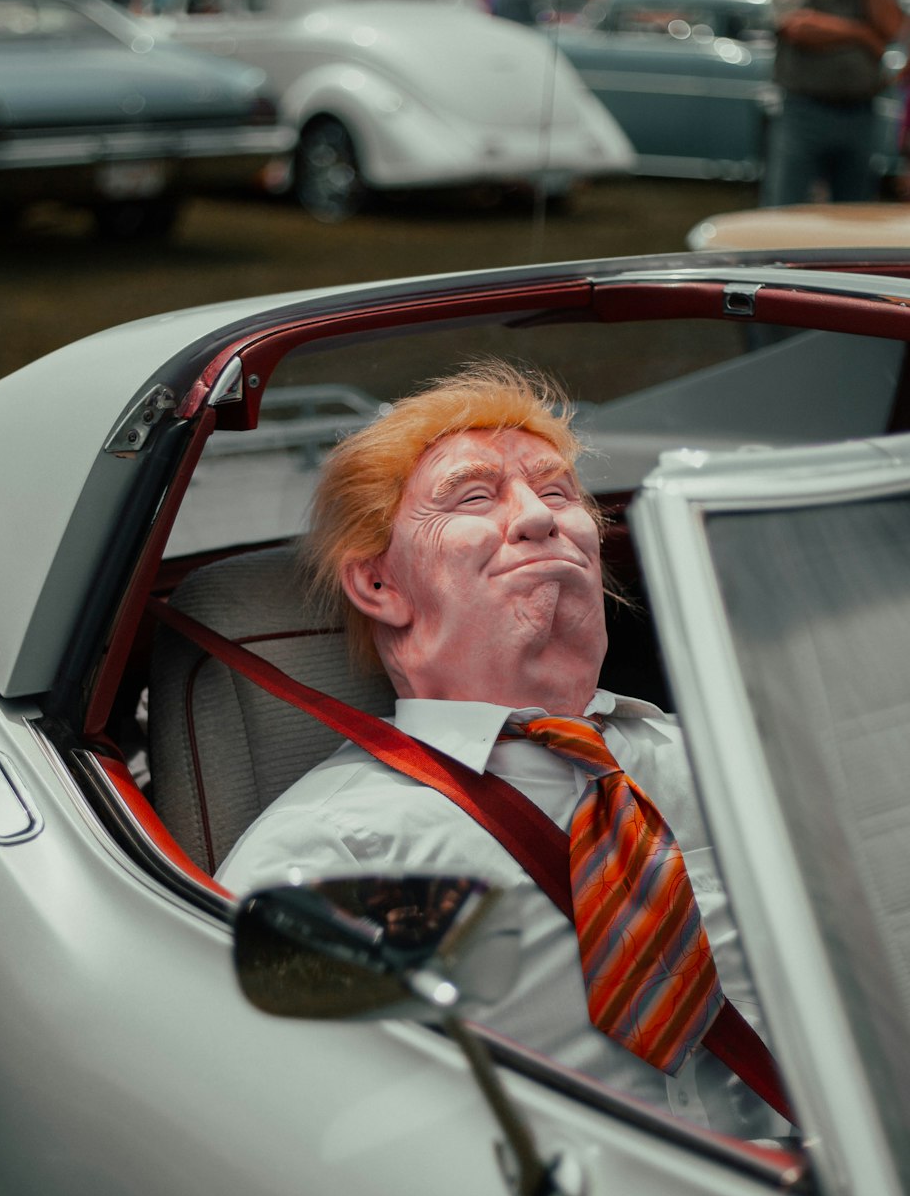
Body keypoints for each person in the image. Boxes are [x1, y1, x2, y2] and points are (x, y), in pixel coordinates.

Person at [217, 362, 787, 1139]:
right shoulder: (331, 853)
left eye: (557, 493)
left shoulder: (744, 762)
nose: (539, 518)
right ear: (380, 584)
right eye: (474, 497)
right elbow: (280, 1135)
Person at [761, 0, 904, 206]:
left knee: (854, 213)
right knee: (786, 207)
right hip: (803, 111)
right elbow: (796, 26)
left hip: (861, 112)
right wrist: (861, 34)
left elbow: (894, 28)